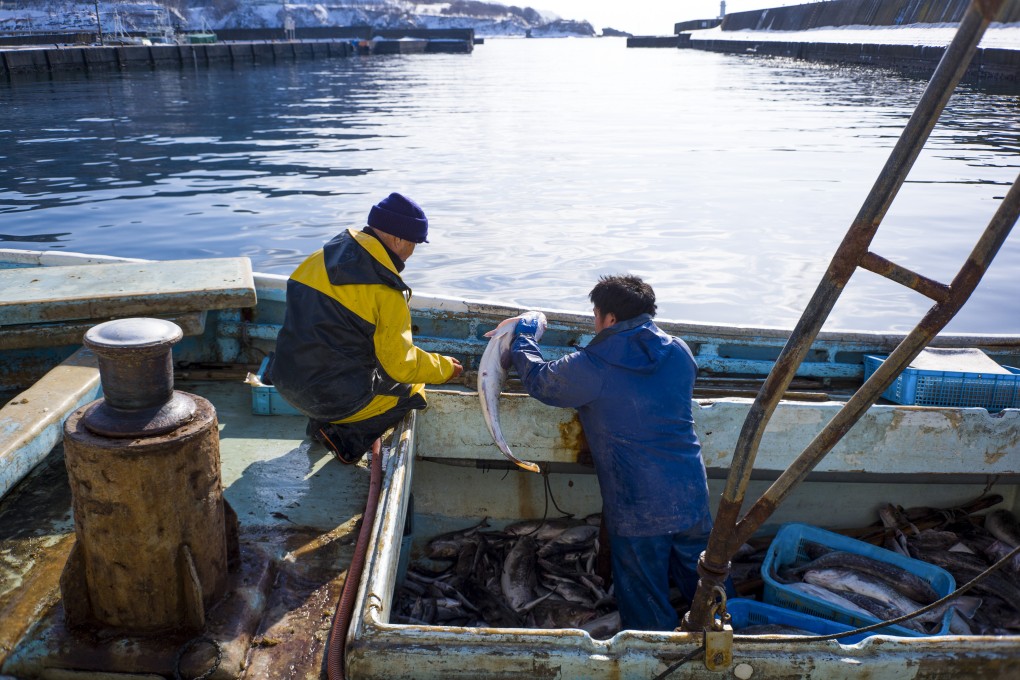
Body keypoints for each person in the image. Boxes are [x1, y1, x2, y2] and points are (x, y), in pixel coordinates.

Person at [505, 274, 716, 632]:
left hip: (638, 508)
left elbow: (542, 381)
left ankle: (659, 659)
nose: (593, 322)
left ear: (610, 319)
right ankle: (723, 637)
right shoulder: (680, 351)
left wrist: (523, 337)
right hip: (691, 494)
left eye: (595, 314)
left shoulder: (593, 366)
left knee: (646, 603)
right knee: (707, 584)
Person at [271, 192, 463, 464]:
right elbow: (401, 366)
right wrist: (443, 368)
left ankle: (320, 426)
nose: (412, 252)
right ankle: (344, 441)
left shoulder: (318, 259)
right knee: (413, 390)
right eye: (414, 243)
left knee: (338, 358)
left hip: (285, 378)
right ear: (398, 239)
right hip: (330, 396)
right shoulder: (386, 288)